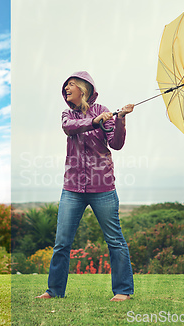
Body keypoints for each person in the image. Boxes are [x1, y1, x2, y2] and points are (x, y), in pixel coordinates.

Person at [36, 71, 134, 302]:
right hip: (72, 189)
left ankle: (123, 291)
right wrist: (93, 122)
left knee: (115, 240)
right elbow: (70, 128)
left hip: (103, 187)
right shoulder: (66, 114)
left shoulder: (104, 111)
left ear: (84, 89)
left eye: (71, 85)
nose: (66, 89)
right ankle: (54, 290)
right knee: (62, 242)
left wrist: (119, 119)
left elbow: (117, 144)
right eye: (65, 86)